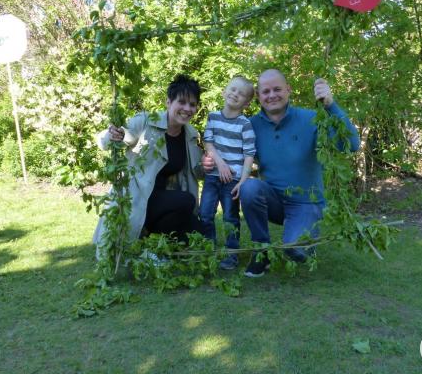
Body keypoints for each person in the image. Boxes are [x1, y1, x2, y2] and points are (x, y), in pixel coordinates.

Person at [203, 69, 360, 277]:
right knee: (249, 186)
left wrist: (330, 105)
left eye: (277, 89)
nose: (271, 95)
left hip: (306, 203)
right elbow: (225, 150)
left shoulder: (311, 119)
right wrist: (207, 163)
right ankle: (262, 252)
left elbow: (350, 145)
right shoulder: (250, 126)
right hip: (272, 202)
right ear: (258, 96)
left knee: (294, 249)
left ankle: (302, 240)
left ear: (288, 90)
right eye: (265, 91)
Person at [92, 74, 208, 257]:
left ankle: (150, 243)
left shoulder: (190, 135)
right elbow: (115, 138)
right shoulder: (147, 121)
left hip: (163, 198)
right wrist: (114, 135)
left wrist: (208, 165)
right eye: (182, 102)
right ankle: (142, 241)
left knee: (200, 232)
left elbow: (198, 171)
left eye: (192, 104)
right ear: (169, 102)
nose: (187, 109)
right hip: (137, 197)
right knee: (186, 200)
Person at [200, 75, 256, 270]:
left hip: (232, 180)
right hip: (213, 176)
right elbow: (208, 142)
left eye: (241, 94)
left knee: (231, 217)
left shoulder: (245, 124)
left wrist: (243, 180)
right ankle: (208, 250)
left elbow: (249, 154)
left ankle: (231, 254)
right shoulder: (213, 117)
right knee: (205, 214)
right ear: (224, 91)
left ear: (246, 103)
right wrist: (220, 163)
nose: (235, 94)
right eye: (232, 89)